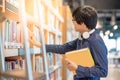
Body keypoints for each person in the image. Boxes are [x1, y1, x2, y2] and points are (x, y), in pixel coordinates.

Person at [29, 5, 108, 80]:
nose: (73, 23)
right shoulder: (82, 38)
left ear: (83, 23)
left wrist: (77, 68)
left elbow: (103, 71)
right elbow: (62, 48)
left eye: (74, 21)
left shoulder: (96, 41)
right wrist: (38, 44)